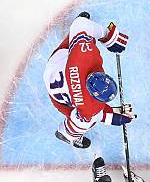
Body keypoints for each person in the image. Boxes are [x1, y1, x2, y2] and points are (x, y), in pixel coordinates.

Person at [43, 12, 133, 148]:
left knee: (80, 37)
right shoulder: (90, 108)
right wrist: (112, 118)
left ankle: (80, 35)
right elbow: (97, 116)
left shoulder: (83, 59)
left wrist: (109, 36)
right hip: (58, 97)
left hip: (55, 66)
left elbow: (79, 25)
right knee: (84, 122)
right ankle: (67, 134)